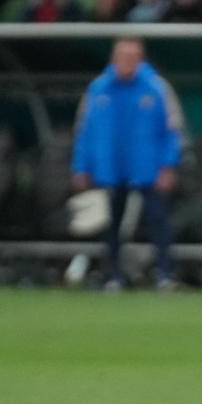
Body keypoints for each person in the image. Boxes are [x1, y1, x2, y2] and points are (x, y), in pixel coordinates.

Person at [72, 37, 184, 290]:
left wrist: (168, 166)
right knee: (110, 225)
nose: (127, 62)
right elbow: (84, 131)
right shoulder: (98, 89)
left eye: (132, 57)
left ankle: (165, 275)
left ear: (140, 59)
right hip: (110, 169)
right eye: (123, 56)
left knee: (159, 222)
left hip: (149, 169)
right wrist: (81, 167)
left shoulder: (156, 88)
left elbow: (173, 130)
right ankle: (113, 276)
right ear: (114, 58)